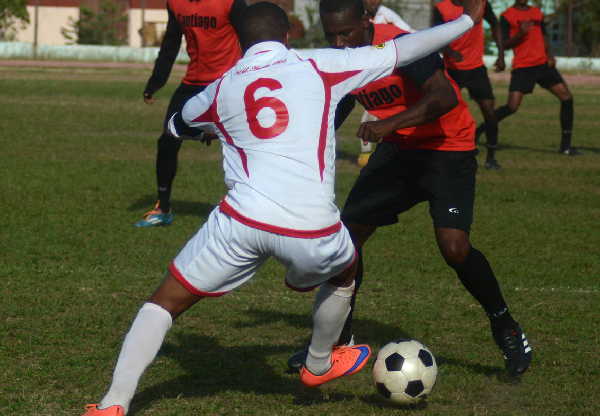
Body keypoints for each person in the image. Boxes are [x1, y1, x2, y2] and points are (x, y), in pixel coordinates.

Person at [80, 2, 482, 414]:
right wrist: (466, 21)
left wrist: (209, 126)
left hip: (239, 224)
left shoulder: (222, 87)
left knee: (163, 303)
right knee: (346, 267)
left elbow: (177, 124)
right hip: (310, 230)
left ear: (238, 42)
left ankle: (112, 405)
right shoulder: (322, 64)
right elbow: (408, 48)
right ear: (288, 34)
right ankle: (319, 363)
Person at [287, 0, 532, 378]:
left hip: (447, 149)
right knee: (347, 241)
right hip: (401, 150)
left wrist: (387, 125)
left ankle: (506, 325)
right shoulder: (345, 56)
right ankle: (339, 340)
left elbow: (444, 96)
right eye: (331, 35)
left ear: (366, 21)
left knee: (454, 247)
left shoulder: (402, 48)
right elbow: (341, 103)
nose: (340, 45)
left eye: (346, 33)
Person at [135, 0, 247, 227]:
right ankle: (163, 208)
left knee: (242, 145)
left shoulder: (230, 3)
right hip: (193, 83)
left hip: (227, 83)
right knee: (167, 140)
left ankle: (246, 209)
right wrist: (156, 81)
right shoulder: (176, 3)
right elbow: (171, 42)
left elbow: (251, 40)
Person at [475, 0, 579, 156]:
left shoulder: (537, 12)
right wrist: (520, 34)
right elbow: (504, 44)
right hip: (524, 67)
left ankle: (565, 147)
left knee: (567, 98)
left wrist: (549, 54)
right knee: (512, 107)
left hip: (543, 65)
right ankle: (479, 131)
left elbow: (544, 35)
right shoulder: (507, 16)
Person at [433, 0, 505, 170]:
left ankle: (491, 158)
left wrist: (501, 54)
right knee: (442, 113)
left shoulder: (479, 3)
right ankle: (439, 153)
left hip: (476, 69)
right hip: (452, 69)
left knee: (489, 112)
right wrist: (450, 51)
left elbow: (495, 25)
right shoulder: (441, 8)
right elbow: (435, 36)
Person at [357, 0, 414, 167]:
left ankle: (369, 152)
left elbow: (409, 33)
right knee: (372, 110)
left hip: (385, 71)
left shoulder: (386, 15)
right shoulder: (356, 15)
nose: (374, 2)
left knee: (377, 110)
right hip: (366, 69)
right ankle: (368, 152)